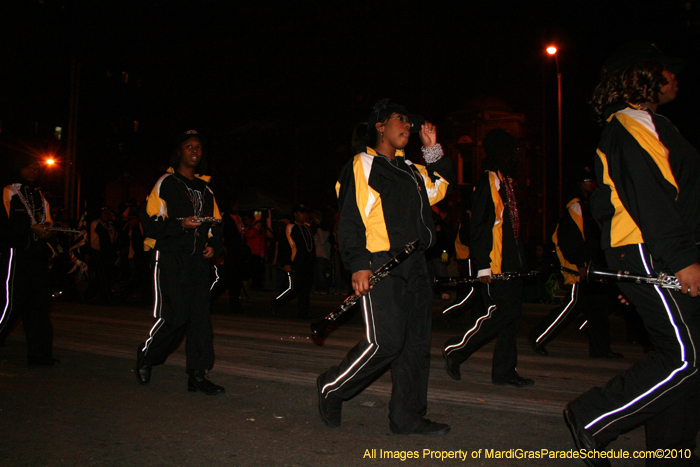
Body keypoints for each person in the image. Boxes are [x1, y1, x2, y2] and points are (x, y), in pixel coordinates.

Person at [564, 42, 700, 467]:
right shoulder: (628, 123)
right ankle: (591, 416)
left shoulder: (651, 123)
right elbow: (650, 197)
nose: (674, 77)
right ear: (641, 76)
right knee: (686, 358)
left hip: (654, 252)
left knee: (684, 362)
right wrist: (680, 258)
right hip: (654, 251)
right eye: (665, 70)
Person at [316, 99, 454, 435]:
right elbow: (350, 219)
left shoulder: (411, 170)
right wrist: (359, 265)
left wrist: (432, 149)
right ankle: (332, 387)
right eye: (400, 120)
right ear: (380, 125)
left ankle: (406, 416)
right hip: (383, 264)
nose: (407, 126)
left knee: (416, 346)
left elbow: (439, 189)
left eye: (411, 122)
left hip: (417, 266)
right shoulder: (362, 163)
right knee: (386, 343)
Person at [134, 130, 225, 395]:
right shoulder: (166, 182)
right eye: (189, 146)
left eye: (198, 147)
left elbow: (216, 224)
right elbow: (149, 223)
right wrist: (179, 224)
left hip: (198, 262)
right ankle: (147, 356)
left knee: (199, 319)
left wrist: (212, 246)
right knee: (175, 317)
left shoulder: (206, 189)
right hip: (170, 258)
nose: (195, 151)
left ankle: (197, 374)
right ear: (179, 152)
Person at [442, 129, 534, 388]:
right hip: (495, 264)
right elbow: (479, 227)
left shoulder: (506, 182)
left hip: (511, 265)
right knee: (500, 313)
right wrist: (482, 266)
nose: (516, 155)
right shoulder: (488, 181)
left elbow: (510, 229)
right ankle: (455, 349)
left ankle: (504, 371)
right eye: (512, 150)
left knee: (512, 317)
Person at [529, 167, 622, 359]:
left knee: (599, 305)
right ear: (581, 185)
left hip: (591, 267)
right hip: (580, 268)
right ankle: (538, 337)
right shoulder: (576, 207)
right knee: (573, 304)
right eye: (590, 181)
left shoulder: (586, 206)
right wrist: (580, 265)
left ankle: (600, 349)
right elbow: (569, 239)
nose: (594, 184)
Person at [0, 155, 58, 366]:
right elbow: (4, 226)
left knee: (39, 305)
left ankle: (40, 355)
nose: (34, 171)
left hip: (36, 255)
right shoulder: (8, 192)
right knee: (10, 304)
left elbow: (47, 221)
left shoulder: (39, 196)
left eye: (37, 168)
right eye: (30, 167)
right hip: (15, 254)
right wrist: (28, 229)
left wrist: (47, 231)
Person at [273, 204, 316, 319]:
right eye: (302, 213)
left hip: (307, 265)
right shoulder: (290, 227)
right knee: (293, 288)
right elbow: (284, 246)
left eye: (305, 213)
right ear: (295, 214)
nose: (304, 215)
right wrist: (286, 262)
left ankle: (304, 312)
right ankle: (277, 302)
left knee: (305, 289)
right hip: (296, 264)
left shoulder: (307, 228)